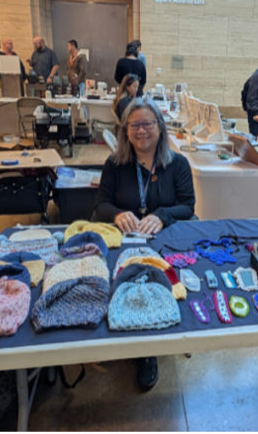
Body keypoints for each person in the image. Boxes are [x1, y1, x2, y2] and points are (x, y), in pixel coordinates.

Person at [94, 97, 195, 391]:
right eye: (134, 125)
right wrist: (115, 213)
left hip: (163, 242)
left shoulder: (178, 164)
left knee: (155, 286)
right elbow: (101, 204)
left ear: (160, 128)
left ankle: (146, 352)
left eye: (147, 124)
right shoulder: (114, 164)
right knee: (119, 285)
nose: (141, 131)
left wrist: (163, 215)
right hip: (124, 241)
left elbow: (188, 205)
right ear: (126, 130)